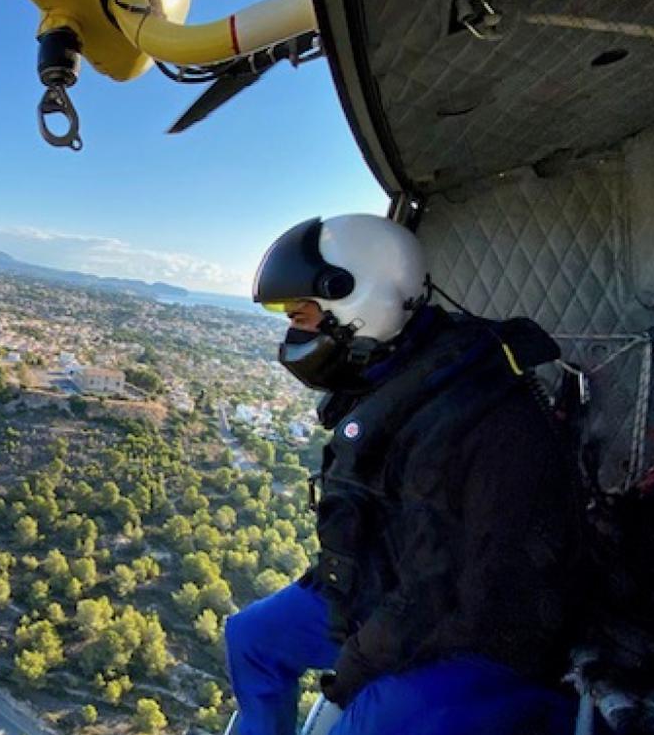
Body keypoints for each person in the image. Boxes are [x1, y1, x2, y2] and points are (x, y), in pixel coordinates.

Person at [224, 214, 583, 735]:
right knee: (252, 636)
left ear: (358, 303)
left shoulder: (467, 413)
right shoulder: (396, 373)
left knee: (367, 718)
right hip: (391, 596)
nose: (292, 331)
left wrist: (352, 673)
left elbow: (436, 590)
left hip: (483, 636)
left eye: (301, 315)